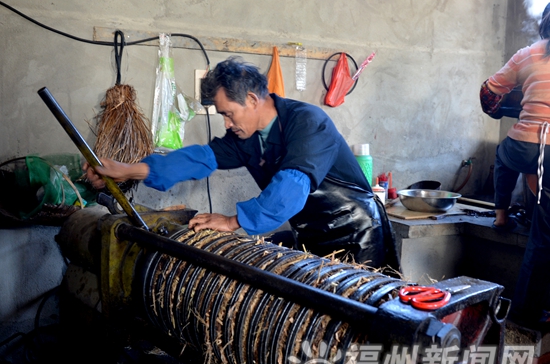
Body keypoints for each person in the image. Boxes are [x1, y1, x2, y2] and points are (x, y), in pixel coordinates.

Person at [85, 57, 400, 271]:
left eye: (228, 113)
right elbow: (198, 159)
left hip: (357, 234)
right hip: (311, 234)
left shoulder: (307, 122)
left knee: (361, 322)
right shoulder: (246, 136)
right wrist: (128, 170)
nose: (226, 122)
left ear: (252, 99)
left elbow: (291, 186)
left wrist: (231, 221)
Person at [480, 4, 550, 326]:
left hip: (524, 146)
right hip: (545, 155)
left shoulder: (528, 53)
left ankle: (500, 216)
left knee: (503, 153)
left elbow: (489, 93)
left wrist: (506, 106)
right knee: (542, 230)